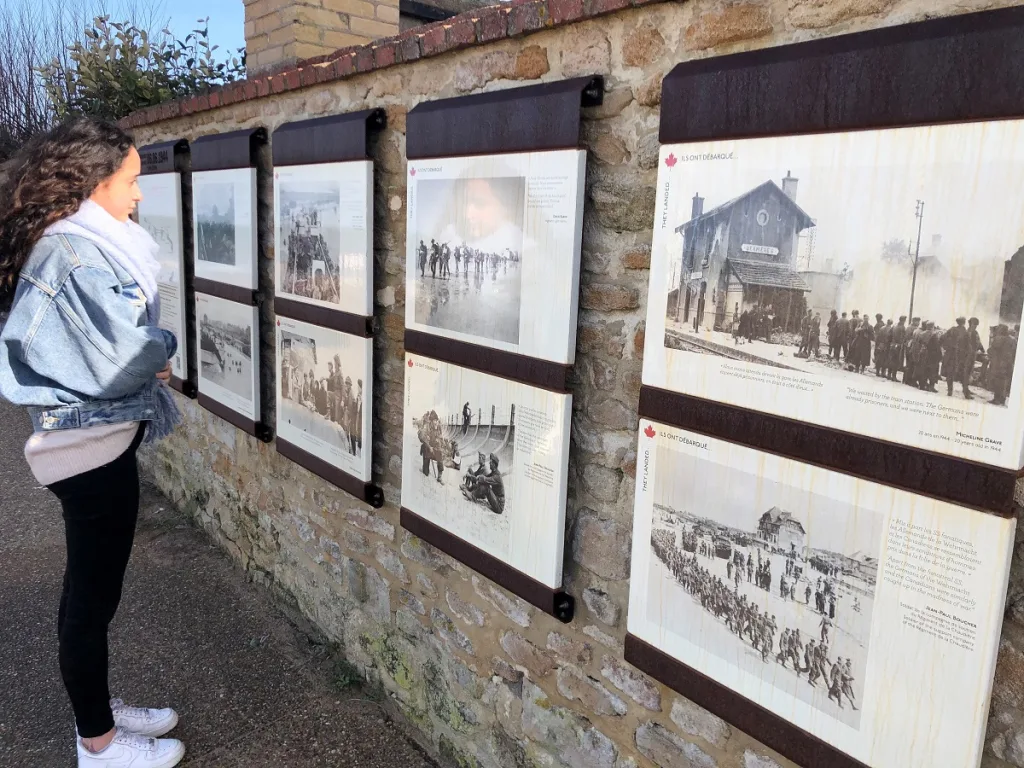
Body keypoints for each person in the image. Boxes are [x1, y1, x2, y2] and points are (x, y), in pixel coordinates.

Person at [0, 119, 186, 766]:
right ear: (93, 181)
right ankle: (99, 745)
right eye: (132, 181)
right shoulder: (75, 253)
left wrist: (144, 356)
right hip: (90, 451)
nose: (139, 195)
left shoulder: (72, 242)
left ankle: (98, 713)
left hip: (89, 444)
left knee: (87, 592)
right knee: (90, 600)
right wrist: (160, 350)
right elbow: (121, 357)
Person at [989, 324, 1016, 405]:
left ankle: (996, 399)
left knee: (997, 380)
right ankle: (1002, 399)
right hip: (1008, 363)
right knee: (1004, 381)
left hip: (999, 363)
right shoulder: (1012, 340)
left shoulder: (999, 338)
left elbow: (992, 350)